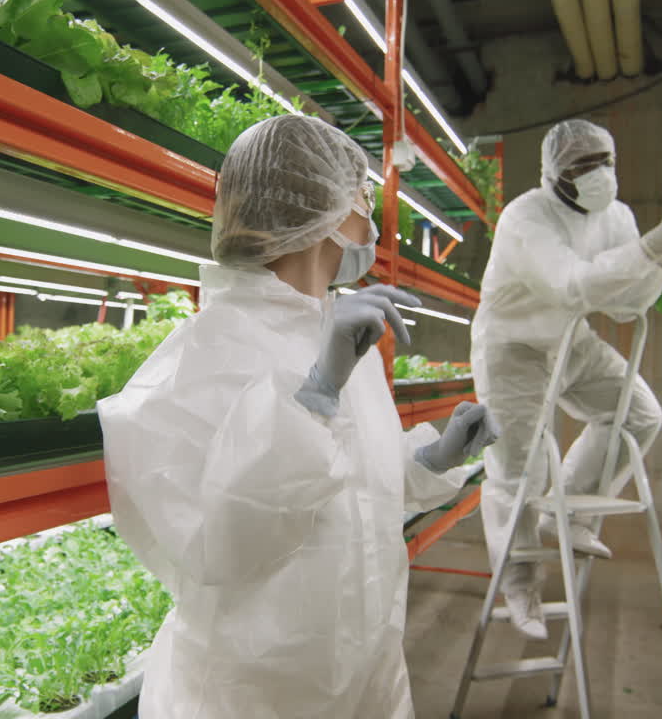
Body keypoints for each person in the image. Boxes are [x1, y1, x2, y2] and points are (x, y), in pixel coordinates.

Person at [99, 114, 498, 718]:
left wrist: (435, 458)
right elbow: (220, 543)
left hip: (366, 672)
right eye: (366, 197)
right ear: (330, 213)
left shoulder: (341, 338)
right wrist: (313, 399)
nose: (372, 221)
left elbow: (361, 494)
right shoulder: (205, 354)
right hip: (251, 696)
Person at [471, 119, 662, 640]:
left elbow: (630, 301)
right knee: (517, 468)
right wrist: (657, 242)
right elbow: (570, 284)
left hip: (572, 341)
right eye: (582, 166)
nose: (598, 175)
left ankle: (568, 517)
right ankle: (520, 585)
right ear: (553, 172)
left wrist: (659, 250)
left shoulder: (617, 217)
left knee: (639, 413)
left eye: (605, 161)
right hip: (513, 347)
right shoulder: (526, 216)